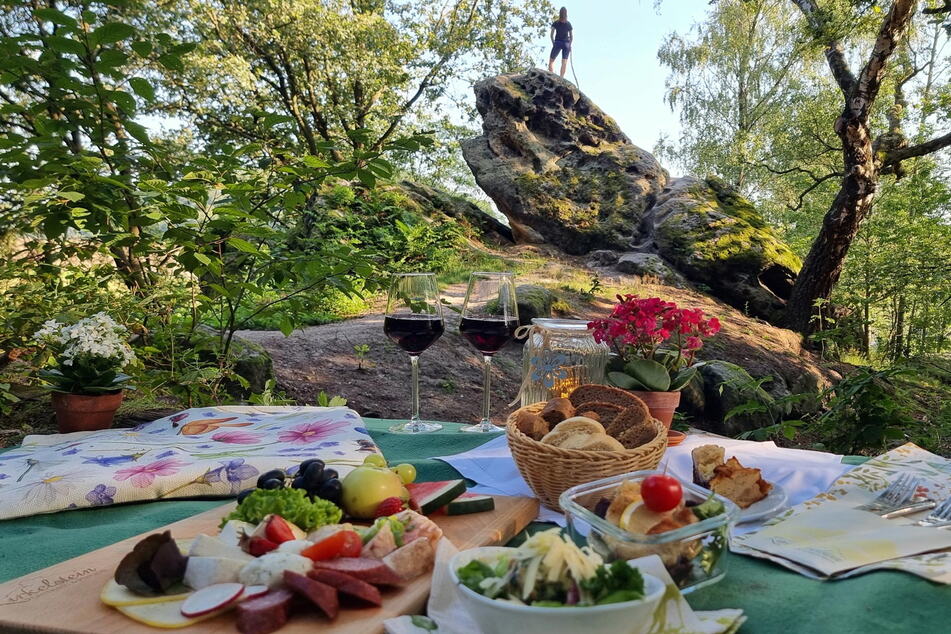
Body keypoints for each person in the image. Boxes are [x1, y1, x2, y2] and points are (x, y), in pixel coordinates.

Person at [548, 7, 572, 78]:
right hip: (566, 44)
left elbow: (551, 35)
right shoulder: (568, 24)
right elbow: (571, 36)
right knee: (564, 62)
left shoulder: (556, 23)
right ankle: (561, 77)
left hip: (557, 42)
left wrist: (553, 43)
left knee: (551, 61)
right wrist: (570, 45)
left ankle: (551, 75)